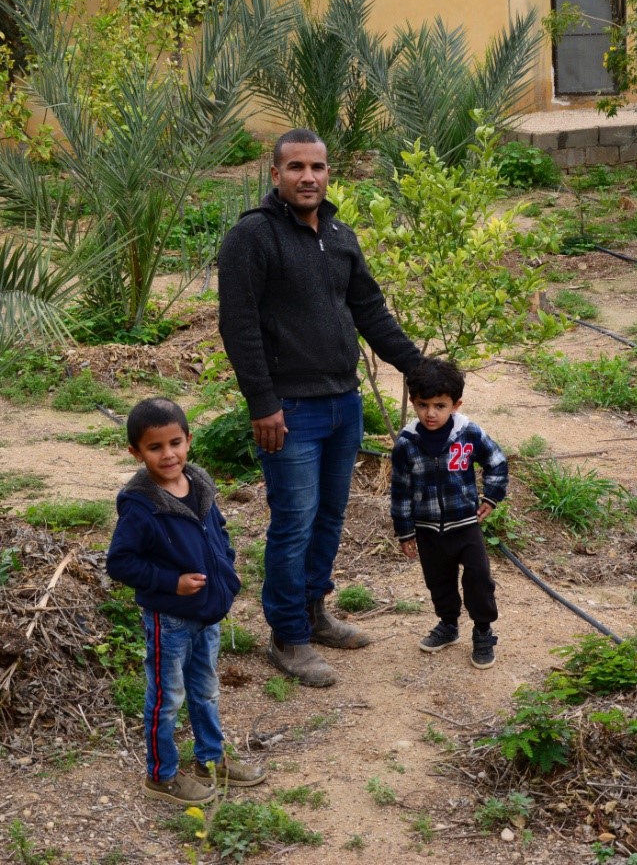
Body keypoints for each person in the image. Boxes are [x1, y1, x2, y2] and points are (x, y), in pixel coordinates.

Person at [218, 128, 423, 688]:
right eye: (296, 168)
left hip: (343, 404)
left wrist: (418, 367)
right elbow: (238, 327)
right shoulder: (253, 238)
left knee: (330, 518)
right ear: (275, 174)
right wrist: (263, 403)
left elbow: (371, 311)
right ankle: (287, 636)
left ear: (329, 173)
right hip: (289, 411)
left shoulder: (338, 235)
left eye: (318, 167)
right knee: (294, 522)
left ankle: (314, 612)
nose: (308, 177)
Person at [105, 397, 266, 805]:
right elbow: (120, 562)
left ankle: (210, 760)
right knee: (167, 698)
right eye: (155, 447)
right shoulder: (141, 507)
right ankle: (160, 775)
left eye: (175, 442)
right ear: (136, 452)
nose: (168, 454)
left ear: (189, 440)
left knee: (206, 689)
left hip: (207, 614)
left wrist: (226, 568)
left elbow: (219, 530)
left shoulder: (200, 483)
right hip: (170, 620)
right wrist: (169, 583)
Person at [390, 358, 507, 669]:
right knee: (438, 581)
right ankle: (448, 625)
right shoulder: (406, 443)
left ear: (455, 404)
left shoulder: (468, 433)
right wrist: (405, 531)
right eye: (423, 404)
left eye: (440, 405)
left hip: (465, 524)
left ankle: (483, 631)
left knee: (479, 579)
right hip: (427, 529)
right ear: (413, 401)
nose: (431, 413)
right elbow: (400, 491)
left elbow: (496, 461)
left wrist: (492, 497)